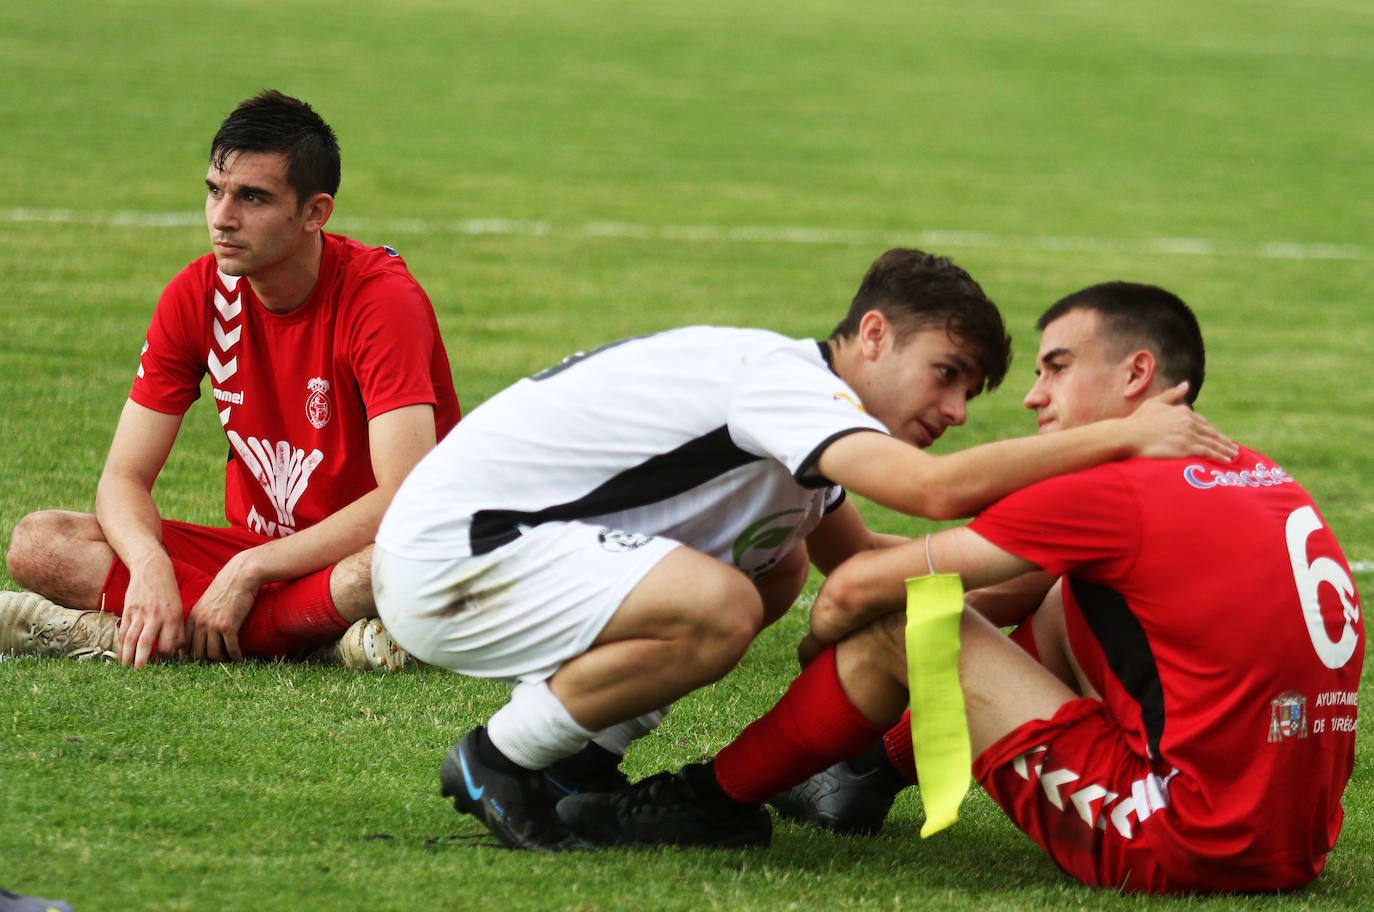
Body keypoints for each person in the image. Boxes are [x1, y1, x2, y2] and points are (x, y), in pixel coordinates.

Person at [371, 252, 1235, 851]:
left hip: (493, 549)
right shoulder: (786, 383)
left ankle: (579, 760)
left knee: (775, 565)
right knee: (721, 605)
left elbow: (856, 559)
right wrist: (1124, 439)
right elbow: (932, 495)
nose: (959, 409)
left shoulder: (809, 424)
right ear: (872, 335)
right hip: (454, 556)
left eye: (971, 390)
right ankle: (498, 759)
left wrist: (1020, 568)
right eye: (947, 372)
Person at [555, 282, 1364, 895]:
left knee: (902, 624)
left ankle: (707, 800)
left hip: (1184, 838)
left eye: (1057, 367)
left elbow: (856, 590)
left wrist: (836, 656)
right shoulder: (1256, 471)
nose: (1034, 396)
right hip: (1294, 836)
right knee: (1038, 591)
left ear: (1137, 375)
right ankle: (862, 774)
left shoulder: (1108, 492)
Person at [1, 90, 460, 670]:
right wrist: (148, 566)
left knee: (388, 570)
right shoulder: (196, 294)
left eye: (253, 198)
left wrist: (249, 572)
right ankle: (313, 641)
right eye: (215, 191)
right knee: (40, 542)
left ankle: (88, 631)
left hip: (367, 549)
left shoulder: (380, 299)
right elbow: (123, 476)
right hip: (261, 550)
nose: (222, 217)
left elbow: (404, 499)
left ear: (315, 213)